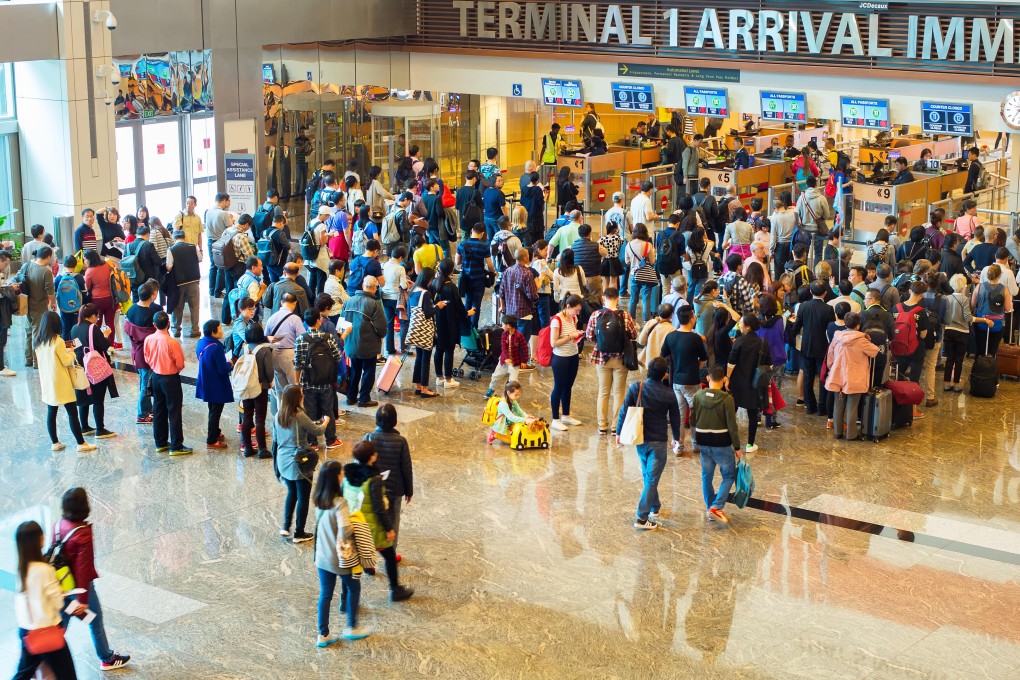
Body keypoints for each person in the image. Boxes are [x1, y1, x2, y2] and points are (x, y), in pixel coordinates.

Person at [54, 488, 131, 671]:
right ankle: (107, 658)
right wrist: (82, 600)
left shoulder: (58, 525)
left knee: (62, 620)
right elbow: (83, 568)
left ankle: (46, 653)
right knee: (94, 621)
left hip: (61, 585)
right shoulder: (83, 533)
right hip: (79, 590)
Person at [343, 441, 415, 602]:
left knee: (350, 563)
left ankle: (344, 598)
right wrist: (389, 529)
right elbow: (378, 508)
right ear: (372, 457)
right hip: (370, 529)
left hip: (351, 526)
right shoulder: (374, 479)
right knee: (389, 556)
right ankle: (395, 590)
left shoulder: (347, 475)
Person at [313, 460, 375, 647]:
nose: (342, 474)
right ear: (335, 478)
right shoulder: (340, 503)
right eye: (340, 472)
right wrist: (357, 528)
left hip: (322, 558)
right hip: (339, 559)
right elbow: (344, 531)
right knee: (353, 587)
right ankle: (351, 627)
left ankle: (323, 634)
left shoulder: (319, 499)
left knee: (325, 595)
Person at [617, 357, 681, 530]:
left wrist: (618, 432)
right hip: (658, 442)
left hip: (640, 439)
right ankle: (641, 518)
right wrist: (676, 438)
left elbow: (624, 410)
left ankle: (655, 507)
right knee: (651, 479)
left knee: (648, 476)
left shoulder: (636, 387)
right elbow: (675, 418)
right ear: (665, 374)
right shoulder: (669, 394)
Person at [12, 520, 79, 679]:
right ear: (38, 540)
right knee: (68, 675)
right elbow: (57, 603)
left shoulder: (22, 569)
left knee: (23, 673)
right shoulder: (44, 570)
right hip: (47, 631)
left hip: (26, 630)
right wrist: (59, 592)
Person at [273, 384, 326, 543]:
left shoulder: (278, 416)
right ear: (297, 399)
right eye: (301, 395)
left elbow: (275, 441)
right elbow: (317, 431)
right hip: (299, 462)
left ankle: (285, 526)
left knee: (292, 493)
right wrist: (327, 421)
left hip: (283, 460)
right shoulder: (299, 416)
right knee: (303, 497)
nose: (303, 397)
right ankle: (299, 533)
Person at [35, 311, 94, 452]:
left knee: (51, 412)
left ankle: (55, 442)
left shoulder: (38, 341)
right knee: (72, 413)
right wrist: (72, 351)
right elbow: (67, 361)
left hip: (47, 381)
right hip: (61, 382)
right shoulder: (58, 341)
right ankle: (81, 444)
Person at [692, 366, 742, 524]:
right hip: (721, 442)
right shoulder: (727, 399)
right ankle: (717, 506)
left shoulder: (698, 395)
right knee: (728, 475)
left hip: (703, 440)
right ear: (724, 380)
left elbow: (692, 420)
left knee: (706, 476)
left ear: (708, 378)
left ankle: (710, 508)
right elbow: (732, 425)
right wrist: (737, 447)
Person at [585, 288, 637, 435]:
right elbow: (633, 334)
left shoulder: (596, 315)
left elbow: (589, 336)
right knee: (619, 392)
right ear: (618, 299)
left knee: (603, 392)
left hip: (602, 358)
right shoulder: (625, 315)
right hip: (620, 358)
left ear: (603, 298)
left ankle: (602, 426)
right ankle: (615, 426)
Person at [363, 403, 414, 555]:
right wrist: (409, 491)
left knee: (371, 518)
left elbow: (360, 462)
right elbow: (406, 467)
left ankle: (368, 553)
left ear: (376, 420)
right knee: (393, 521)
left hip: (373, 487)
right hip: (395, 488)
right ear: (395, 421)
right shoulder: (401, 441)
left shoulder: (369, 437)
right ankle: (391, 553)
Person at [660, 305, 709, 454]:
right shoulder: (695, 338)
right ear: (691, 319)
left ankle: (679, 446)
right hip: (692, 381)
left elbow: (663, 355)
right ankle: (696, 444)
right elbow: (704, 358)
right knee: (695, 414)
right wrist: (698, 365)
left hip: (676, 381)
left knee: (679, 416)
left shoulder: (671, 336)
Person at [825, 312, 879, 441]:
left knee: (838, 405)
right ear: (858, 325)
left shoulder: (837, 337)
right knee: (852, 407)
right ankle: (851, 434)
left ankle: (838, 432)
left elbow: (830, 355)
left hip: (838, 376)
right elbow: (875, 351)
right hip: (855, 377)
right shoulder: (861, 340)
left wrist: (832, 368)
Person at [295, 308, 344, 449]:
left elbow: (297, 364)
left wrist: (297, 383)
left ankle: (312, 442)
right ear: (319, 320)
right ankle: (331, 440)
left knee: (309, 412)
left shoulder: (301, 339)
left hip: (308, 382)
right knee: (328, 410)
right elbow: (337, 357)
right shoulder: (328, 338)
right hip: (326, 382)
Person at [144, 312, 191, 455]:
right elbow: (180, 364)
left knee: (159, 410)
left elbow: (147, 358)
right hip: (170, 379)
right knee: (174, 411)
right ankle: (176, 446)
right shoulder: (172, 342)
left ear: (154, 324)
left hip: (155, 377)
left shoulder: (148, 339)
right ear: (169, 323)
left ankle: (160, 442)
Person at [70, 304, 118, 440]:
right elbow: (104, 345)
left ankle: (84, 426)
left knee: (83, 396)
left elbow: (73, 346)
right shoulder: (93, 328)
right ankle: (100, 429)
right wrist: (106, 335)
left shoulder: (74, 328)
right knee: (98, 399)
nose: (97, 319)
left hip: (80, 365)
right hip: (94, 366)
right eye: (97, 316)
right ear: (91, 316)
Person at [341, 275, 387, 407]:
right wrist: (379, 336)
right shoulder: (374, 304)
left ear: (363, 286)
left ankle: (351, 397)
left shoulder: (348, 301)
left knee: (354, 370)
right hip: (368, 345)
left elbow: (342, 323)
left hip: (350, 344)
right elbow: (382, 327)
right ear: (374, 288)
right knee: (368, 371)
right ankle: (364, 398)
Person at [793, 280, 836, 419]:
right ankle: (822, 407)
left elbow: (797, 326)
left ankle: (809, 405)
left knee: (808, 376)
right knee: (823, 377)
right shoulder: (829, 309)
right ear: (825, 293)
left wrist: (791, 338)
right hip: (822, 347)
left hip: (806, 346)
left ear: (811, 292)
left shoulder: (804, 306)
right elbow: (830, 329)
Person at [724, 314, 766, 453]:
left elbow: (731, 362)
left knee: (732, 412)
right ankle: (750, 444)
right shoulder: (762, 342)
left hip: (737, 382)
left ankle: (728, 441)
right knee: (753, 415)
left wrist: (728, 378)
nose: (739, 325)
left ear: (747, 326)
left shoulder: (739, 341)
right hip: (754, 383)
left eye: (741, 323)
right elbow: (768, 363)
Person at [432, 259, 473, 389]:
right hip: (449, 323)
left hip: (437, 322)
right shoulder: (451, 287)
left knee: (439, 349)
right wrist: (468, 313)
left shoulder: (435, 283)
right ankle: (448, 379)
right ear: (451, 271)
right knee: (449, 350)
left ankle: (439, 377)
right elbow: (459, 307)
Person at [195, 319, 234, 449]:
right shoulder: (216, 347)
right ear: (213, 332)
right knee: (215, 412)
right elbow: (222, 369)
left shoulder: (201, 342)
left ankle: (216, 432)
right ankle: (211, 440)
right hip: (216, 383)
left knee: (212, 408)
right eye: (220, 328)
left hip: (206, 380)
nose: (222, 330)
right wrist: (230, 364)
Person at [17, 245, 56, 368]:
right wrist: (54, 302)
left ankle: (28, 359)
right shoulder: (46, 272)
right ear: (48, 257)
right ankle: (36, 361)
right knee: (37, 333)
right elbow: (50, 291)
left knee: (28, 332)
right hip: (39, 305)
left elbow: (18, 277)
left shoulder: (27, 265)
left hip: (26, 304)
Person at [549, 294, 584, 432]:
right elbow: (554, 343)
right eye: (576, 310)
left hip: (573, 355)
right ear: (568, 307)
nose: (578, 313)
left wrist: (578, 334)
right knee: (559, 386)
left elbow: (572, 334)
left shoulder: (573, 317)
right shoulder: (557, 320)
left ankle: (566, 415)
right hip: (560, 358)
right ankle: (555, 419)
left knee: (568, 386)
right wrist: (571, 336)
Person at [240, 323, 274, 459]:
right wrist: (269, 382)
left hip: (246, 387)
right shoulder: (264, 350)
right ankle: (262, 449)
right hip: (260, 388)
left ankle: (247, 447)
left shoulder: (245, 348)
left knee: (247, 417)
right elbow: (269, 372)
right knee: (260, 419)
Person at [406, 268, 441, 398]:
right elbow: (428, 313)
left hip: (415, 329)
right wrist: (438, 306)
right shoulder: (425, 293)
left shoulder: (412, 291)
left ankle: (418, 386)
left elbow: (410, 313)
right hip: (425, 331)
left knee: (419, 358)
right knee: (425, 359)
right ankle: (425, 389)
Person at [456, 223, 493, 330]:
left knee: (467, 302)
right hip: (479, 279)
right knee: (476, 304)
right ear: (482, 234)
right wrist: (493, 271)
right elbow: (489, 264)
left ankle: (466, 327)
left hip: (466, 278)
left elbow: (457, 262)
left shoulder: (462, 244)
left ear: (472, 230)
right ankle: (474, 329)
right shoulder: (485, 245)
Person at [166, 229, 202, 338]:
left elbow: (169, 266)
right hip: (193, 281)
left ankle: (176, 330)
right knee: (194, 307)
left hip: (179, 283)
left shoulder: (171, 249)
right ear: (184, 237)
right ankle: (194, 330)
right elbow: (200, 259)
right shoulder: (193, 247)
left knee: (178, 307)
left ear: (174, 238)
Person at [942, 273, 973, 393]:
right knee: (959, 359)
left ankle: (946, 382)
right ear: (963, 285)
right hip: (962, 332)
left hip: (949, 330)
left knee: (949, 358)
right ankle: (956, 383)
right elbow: (968, 318)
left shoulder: (947, 298)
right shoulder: (965, 299)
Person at [973, 264, 1010, 358]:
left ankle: (979, 364)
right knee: (993, 350)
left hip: (981, 322)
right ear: (1000, 275)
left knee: (980, 348)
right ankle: (991, 363)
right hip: (997, 324)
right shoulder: (1004, 289)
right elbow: (1007, 308)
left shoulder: (979, 287)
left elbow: (972, 304)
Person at [487, 379, 538, 445]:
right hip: (501, 425)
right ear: (508, 393)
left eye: (518, 394)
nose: (518, 397)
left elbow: (519, 411)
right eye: (516, 395)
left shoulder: (513, 400)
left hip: (509, 423)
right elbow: (511, 417)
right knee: (515, 441)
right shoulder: (503, 404)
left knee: (520, 433)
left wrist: (527, 416)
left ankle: (504, 434)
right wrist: (525, 420)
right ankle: (496, 434)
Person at [625, 223, 658, 324]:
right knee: (646, 299)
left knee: (633, 299)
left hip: (634, 274)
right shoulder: (648, 245)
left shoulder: (629, 245)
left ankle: (632, 320)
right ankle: (646, 321)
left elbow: (627, 261)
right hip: (646, 275)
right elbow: (652, 262)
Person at [796, 176, 832, 266]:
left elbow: (797, 214)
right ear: (816, 184)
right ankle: (817, 274)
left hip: (804, 230)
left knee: (804, 253)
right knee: (818, 253)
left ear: (807, 185)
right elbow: (827, 215)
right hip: (818, 229)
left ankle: (804, 273)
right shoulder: (821, 198)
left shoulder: (802, 197)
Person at [768, 191, 797, 280]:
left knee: (779, 272)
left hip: (780, 246)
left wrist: (771, 251)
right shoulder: (793, 213)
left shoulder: (775, 218)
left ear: (776, 208)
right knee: (791, 269)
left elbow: (773, 237)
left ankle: (779, 289)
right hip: (791, 244)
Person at [685, 225, 715, 302]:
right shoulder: (708, 245)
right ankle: (696, 305)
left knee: (691, 287)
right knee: (700, 288)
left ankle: (688, 305)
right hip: (704, 268)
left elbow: (686, 258)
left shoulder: (689, 245)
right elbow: (712, 242)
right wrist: (704, 239)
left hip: (692, 268)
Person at [599, 219, 625, 292]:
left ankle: (605, 299)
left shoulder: (602, 239)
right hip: (615, 260)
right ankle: (615, 298)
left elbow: (598, 246)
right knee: (614, 281)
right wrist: (617, 233)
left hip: (606, 261)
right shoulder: (618, 238)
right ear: (615, 229)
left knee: (606, 281)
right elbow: (622, 242)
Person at [483, 173, 509, 241]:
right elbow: (503, 207)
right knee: (499, 238)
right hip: (496, 219)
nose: (501, 182)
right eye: (499, 181)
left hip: (486, 218)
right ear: (493, 182)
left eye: (502, 180)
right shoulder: (499, 193)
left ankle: (490, 250)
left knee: (490, 239)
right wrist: (507, 218)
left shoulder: (486, 191)